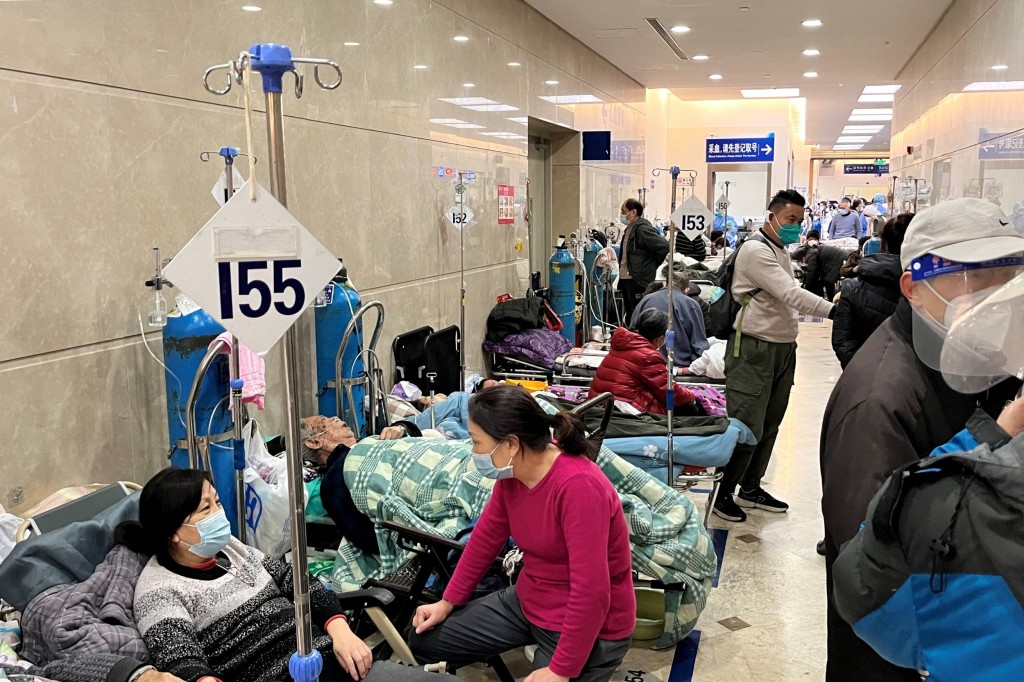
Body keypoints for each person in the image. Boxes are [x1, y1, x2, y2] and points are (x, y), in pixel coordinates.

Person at [819, 198, 1024, 681]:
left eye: (1008, 275)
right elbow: (873, 568)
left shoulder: (973, 358)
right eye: (974, 277)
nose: (997, 296)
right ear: (913, 287)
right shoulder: (879, 402)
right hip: (896, 650)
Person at [409, 385, 635, 682]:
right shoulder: (513, 475)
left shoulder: (578, 487)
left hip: (588, 623)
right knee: (425, 640)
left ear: (511, 444)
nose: (473, 451)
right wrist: (447, 601)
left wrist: (560, 670)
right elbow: (484, 541)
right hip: (532, 600)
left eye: (477, 442)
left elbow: (592, 591)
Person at [118, 469, 376, 682]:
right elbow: (180, 660)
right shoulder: (158, 591)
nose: (218, 513)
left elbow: (296, 580)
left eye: (217, 502)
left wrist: (341, 631)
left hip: (326, 657)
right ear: (173, 531)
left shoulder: (230, 547)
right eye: (205, 509)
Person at [712, 190, 836, 523]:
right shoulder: (755, 251)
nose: (795, 226)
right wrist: (836, 310)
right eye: (790, 220)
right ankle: (723, 492)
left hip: (782, 348)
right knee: (746, 422)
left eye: (799, 220)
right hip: (754, 347)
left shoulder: (780, 250)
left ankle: (750, 486)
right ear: (772, 216)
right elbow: (790, 294)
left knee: (770, 422)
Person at [831, 214, 913, 368]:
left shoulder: (853, 288)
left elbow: (843, 341)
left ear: (884, 245)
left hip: (866, 377)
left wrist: (866, 373)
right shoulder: (935, 288)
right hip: (921, 384)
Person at [588, 308, 697, 415]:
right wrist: (692, 395)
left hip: (598, 403)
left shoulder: (622, 344)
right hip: (619, 409)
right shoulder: (648, 356)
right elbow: (671, 393)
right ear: (659, 339)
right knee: (688, 407)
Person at [301, 416, 380, 555]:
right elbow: (373, 540)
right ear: (314, 442)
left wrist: (401, 428)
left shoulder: (371, 441)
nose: (335, 418)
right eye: (324, 421)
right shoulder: (337, 479)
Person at [633, 268, 710, 367]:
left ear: (665, 283)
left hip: (645, 361)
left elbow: (633, 332)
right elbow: (699, 343)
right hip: (679, 365)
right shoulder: (691, 304)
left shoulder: (646, 300)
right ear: (686, 289)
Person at [617, 198, 669, 321]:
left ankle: (640, 339)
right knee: (631, 315)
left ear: (633, 212)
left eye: (624, 211)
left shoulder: (642, 229)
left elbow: (663, 246)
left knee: (639, 316)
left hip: (637, 280)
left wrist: (650, 266)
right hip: (627, 278)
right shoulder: (629, 229)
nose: (622, 215)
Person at [802, 230, 849, 300]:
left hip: (838, 264)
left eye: (814, 239)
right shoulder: (820, 248)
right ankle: (831, 303)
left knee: (827, 282)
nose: (812, 241)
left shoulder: (813, 250)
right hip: (841, 262)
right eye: (810, 239)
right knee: (826, 282)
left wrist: (806, 291)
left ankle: (831, 304)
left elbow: (812, 272)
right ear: (807, 240)